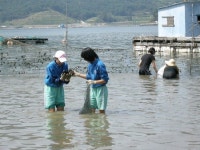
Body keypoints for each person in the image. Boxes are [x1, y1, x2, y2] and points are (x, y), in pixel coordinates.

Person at [74, 47, 109, 114]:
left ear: (89, 57)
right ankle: (93, 122)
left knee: (101, 109)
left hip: (100, 89)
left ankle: (102, 122)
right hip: (93, 89)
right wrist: (77, 74)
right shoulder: (90, 65)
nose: (85, 60)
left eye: (85, 58)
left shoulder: (100, 64)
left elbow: (105, 80)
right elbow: (89, 76)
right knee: (92, 108)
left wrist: (94, 82)